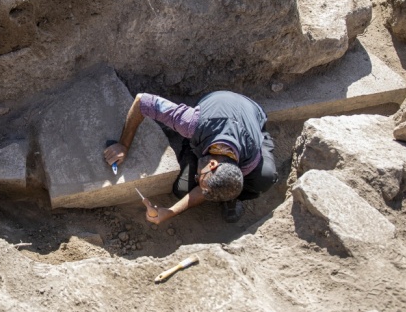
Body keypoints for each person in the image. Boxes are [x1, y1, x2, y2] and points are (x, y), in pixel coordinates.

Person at [104, 91, 278, 224]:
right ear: (212, 164)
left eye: (199, 179)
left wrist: (171, 211)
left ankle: (231, 197)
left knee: (264, 178)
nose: (197, 179)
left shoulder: (249, 157)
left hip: (248, 117)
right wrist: (123, 145)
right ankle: (192, 148)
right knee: (182, 189)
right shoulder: (192, 123)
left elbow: (208, 186)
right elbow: (143, 101)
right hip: (217, 105)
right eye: (200, 179)